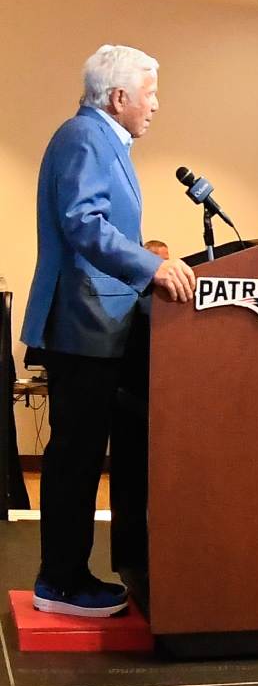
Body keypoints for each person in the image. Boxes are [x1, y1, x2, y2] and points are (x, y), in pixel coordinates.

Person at [21, 45, 197, 617]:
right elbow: (83, 223)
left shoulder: (99, 138)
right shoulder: (86, 137)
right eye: (150, 93)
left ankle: (70, 574)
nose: (156, 104)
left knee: (81, 451)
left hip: (100, 322)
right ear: (119, 97)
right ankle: (62, 582)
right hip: (85, 322)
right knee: (76, 454)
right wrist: (153, 266)